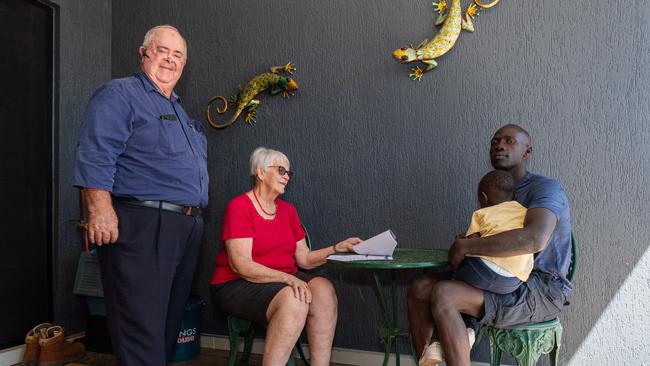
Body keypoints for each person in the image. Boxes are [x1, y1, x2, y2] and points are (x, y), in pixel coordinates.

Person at [73, 25, 208, 366]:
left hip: (185, 227)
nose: (170, 59)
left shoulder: (179, 110)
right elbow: (96, 151)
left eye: (178, 55)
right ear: (144, 52)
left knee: (165, 329)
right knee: (141, 330)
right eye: (163, 50)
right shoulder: (120, 94)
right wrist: (99, 210)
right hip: (142, 223)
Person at [409, 124, 573, 366]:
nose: (500, 146)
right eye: (495, 142)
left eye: (509, 141)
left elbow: (533, 239)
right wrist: (469, 241)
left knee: (446, 294)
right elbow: (487, 238)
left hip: (540, 288)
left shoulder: (544, 189)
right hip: (499, 279)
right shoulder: (495, 188)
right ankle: (429, 358)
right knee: (421, 287)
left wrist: (466, 247)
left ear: (527, 151)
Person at [210, 147, 361, 366]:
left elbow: (305, 259)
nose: (286, 176)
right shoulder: (240, 206)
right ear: (260, 172)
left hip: (281, 280)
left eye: (288, 173)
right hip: (236, 283)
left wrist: (337, 248)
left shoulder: (288, 211)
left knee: (324, 290)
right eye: (281, 170)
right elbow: (240, 264)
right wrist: (289, 279)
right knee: (295, 298)